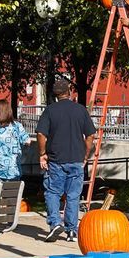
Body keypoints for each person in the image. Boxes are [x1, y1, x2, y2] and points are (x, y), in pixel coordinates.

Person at [36, 76, 96, 241]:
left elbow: (41, 133)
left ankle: (55, 223)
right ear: (70, 91)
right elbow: (90, 134)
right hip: (76, 158)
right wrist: (85, 154)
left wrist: (42, 153)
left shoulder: (50, 110)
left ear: (56, 94)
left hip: (56, 159)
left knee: (53, 192)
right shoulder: (80, 110)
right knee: (73, 195)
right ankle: (72, 230)